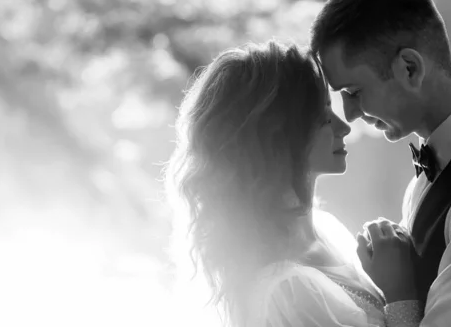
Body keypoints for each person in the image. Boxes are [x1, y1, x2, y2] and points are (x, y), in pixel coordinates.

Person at [165, 40, 423, 327]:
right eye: (323, 117)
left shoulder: (326, 230)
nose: (344, 127)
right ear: (278, 137)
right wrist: (401, 292)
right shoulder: (289, 290)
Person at [311, 0, 451, 327]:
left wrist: (399, 291)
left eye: (354, 93)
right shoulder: (436, 172)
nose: (351, 115)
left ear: (409, 68)